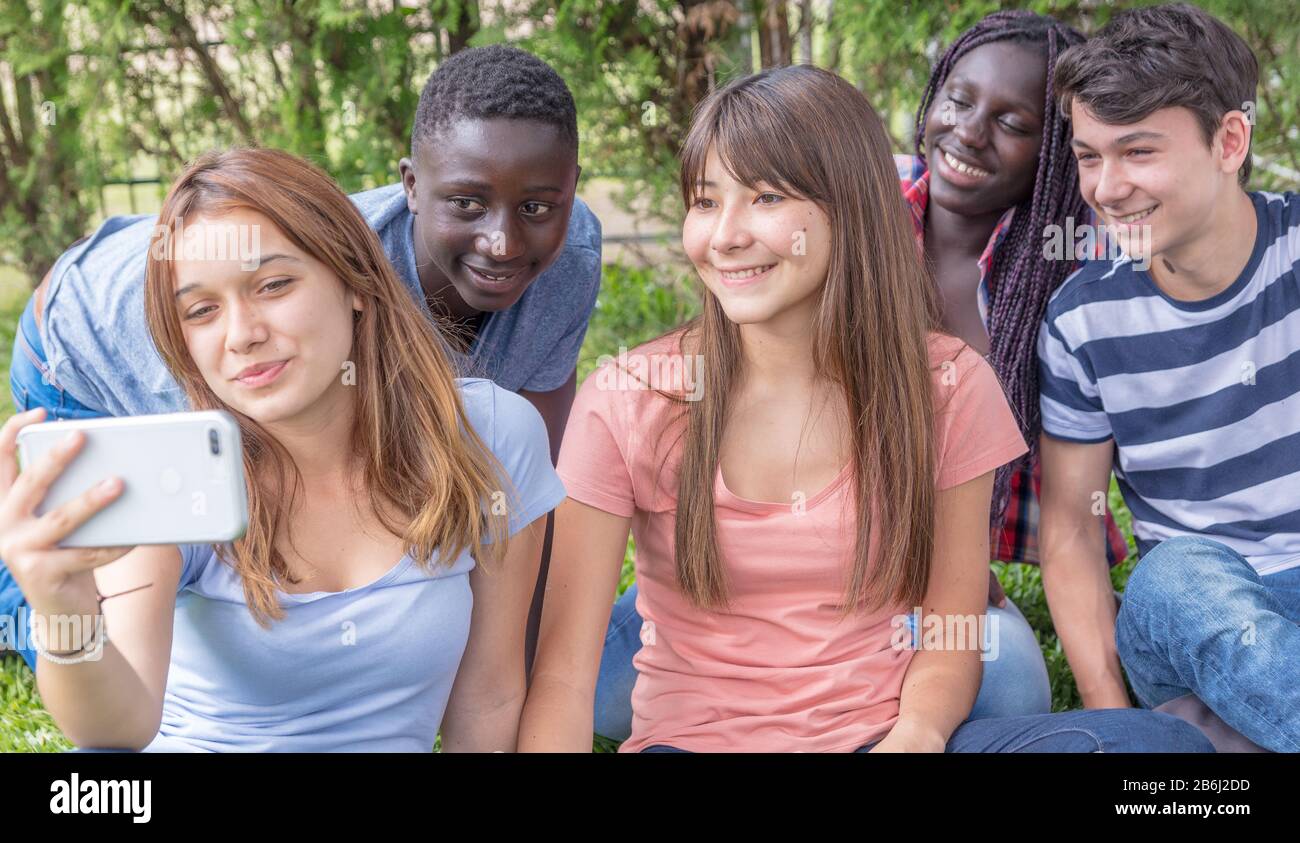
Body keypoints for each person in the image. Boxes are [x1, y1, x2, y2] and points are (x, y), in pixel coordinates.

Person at [519, 65, 1213, 753]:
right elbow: (563, 677)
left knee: (1163, 752)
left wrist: (915, 733)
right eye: (705, 200)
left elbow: (951, 629)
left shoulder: (946, 385)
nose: (724, 235)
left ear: (850, 206)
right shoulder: (632, 396)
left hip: (881, 738)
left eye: (764, 198)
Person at [1, 44, 599, 670]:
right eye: (468, 204)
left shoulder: (571, 253)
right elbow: (249, 443)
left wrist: (524, 651)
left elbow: (531, 490)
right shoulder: (310, 306)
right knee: (108, 617)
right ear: (413, 187)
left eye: (535, 207)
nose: (502, 241)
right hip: (85, 340)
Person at [0, 148, 564, 751]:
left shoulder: (492, 435)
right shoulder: (176, 472)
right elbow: (116, 731)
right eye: (202, 310)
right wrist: (63, 605)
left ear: (355, 282)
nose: (243, 334)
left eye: (273, 284)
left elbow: (492, 693)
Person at [1038, 3, 1300, 751]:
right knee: (1176, 575)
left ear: (1229, 140)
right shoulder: (1083, 320)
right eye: (1090, 156)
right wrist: (1116, 722)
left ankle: (1226, 729)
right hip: (1191, 614)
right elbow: (1070, 535)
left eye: (1138, 152)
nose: (1107, 187)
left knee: (1223, 734)